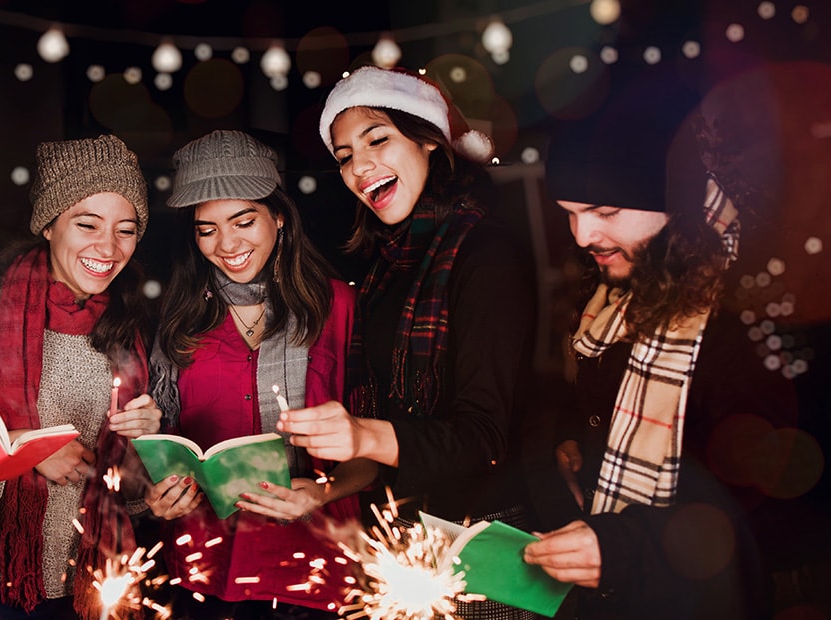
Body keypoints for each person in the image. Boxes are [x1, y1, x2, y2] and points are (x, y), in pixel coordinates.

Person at [521, 81, 799, 619]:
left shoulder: (756, 311)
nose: (582, 236)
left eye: (603, 209)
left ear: (673, 196)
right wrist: (576, 441)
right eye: (569, 212)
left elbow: (785, 515)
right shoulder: (623, 275)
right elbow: (606, 402)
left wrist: (630, 547)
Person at [278, 66, 538, 619]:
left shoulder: (485, 253)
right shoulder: (383, 269)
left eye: (378, 140)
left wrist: (363, 434)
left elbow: (484, 438)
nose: (360, 166)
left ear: (427, 140)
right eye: (345, 155)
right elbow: (383, 430)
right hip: (402, 543)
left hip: (486, 550)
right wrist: (323, 487)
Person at [146, 129, 376, 619]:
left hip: (319, 571)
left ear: (277, 216)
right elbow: (158, 449)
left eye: (243, 220)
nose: (226, 244)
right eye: (206, 229)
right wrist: (158, 495)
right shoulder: (177, 319)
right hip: (203, 571)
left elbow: (377, 447)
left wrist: (326, 490)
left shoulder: (340, 307)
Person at [0, 135, 162, 620]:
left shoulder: (130, 329)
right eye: (87, 224)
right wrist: (26, 449)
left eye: (126, 230)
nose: (109, 247)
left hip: (92, 582)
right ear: (49, 224)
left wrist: (147, 449)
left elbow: (130, 492)